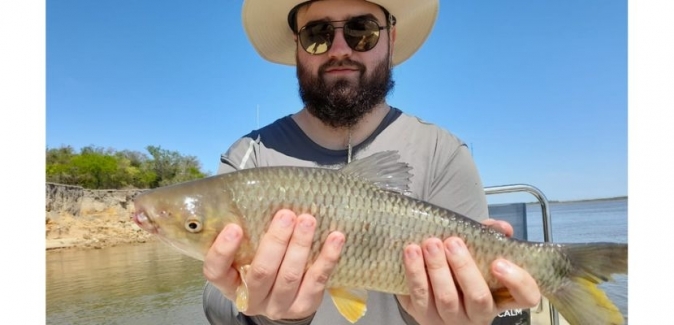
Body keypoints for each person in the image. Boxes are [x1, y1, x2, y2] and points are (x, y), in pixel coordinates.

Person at [201, 0, 541, 324]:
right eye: (316, 34)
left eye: (361, 31)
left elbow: (475, 300)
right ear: (297, 45)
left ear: (390, 38)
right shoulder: (250, 155)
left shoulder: (444, 152)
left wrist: (447, 316)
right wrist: (271, 318)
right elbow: (215, 299)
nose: (339, 49)